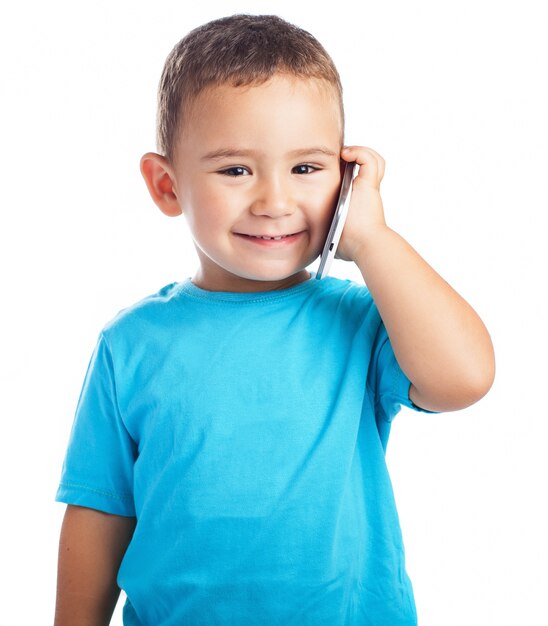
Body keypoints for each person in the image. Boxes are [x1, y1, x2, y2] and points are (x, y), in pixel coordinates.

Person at [54, 14, 495, 626]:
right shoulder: (131, 343)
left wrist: (372, 238)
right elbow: (100, 510)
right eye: (235, 170)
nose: (275, 202)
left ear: (345, 180)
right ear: (166, 185)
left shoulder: (362, 320)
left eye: (307, 169)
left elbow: (465, 378)